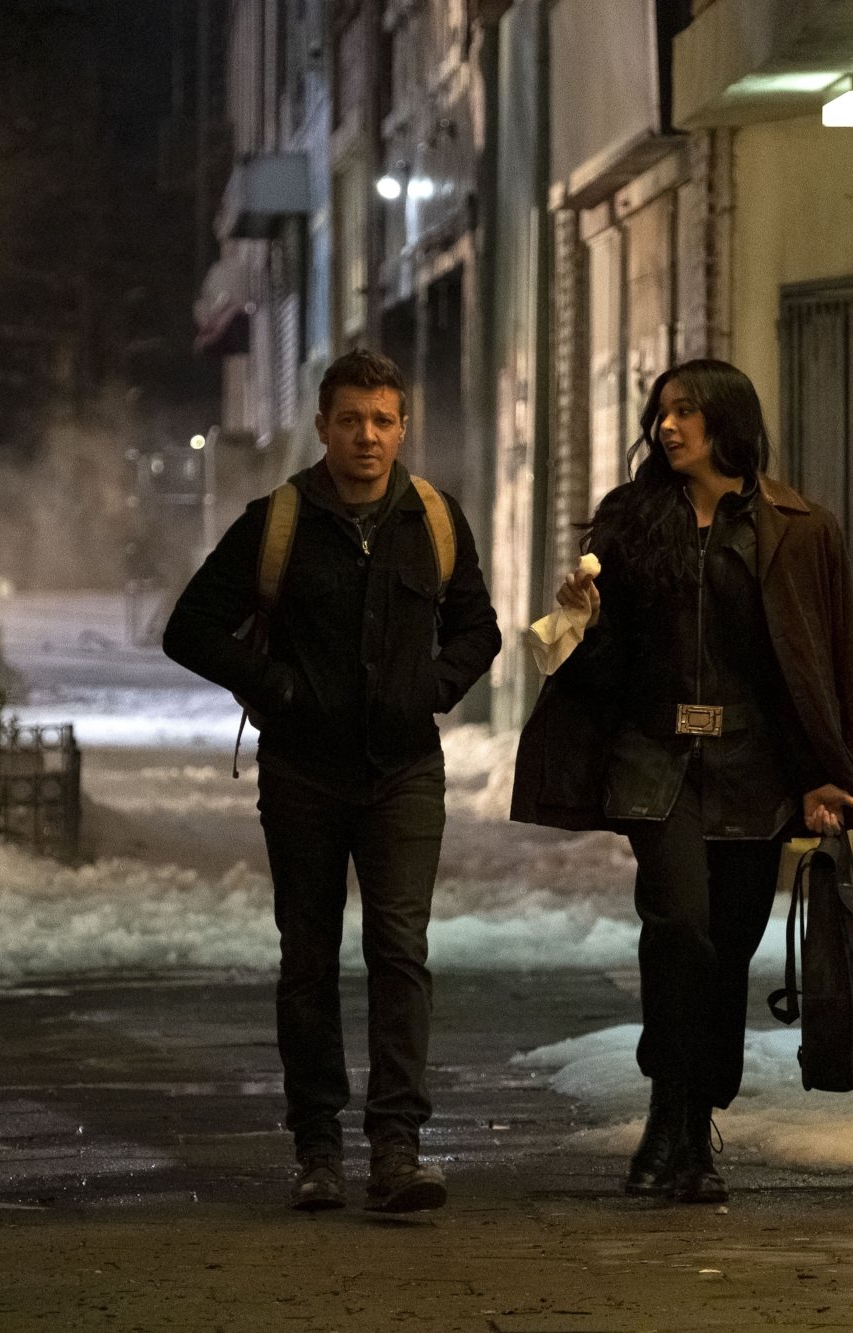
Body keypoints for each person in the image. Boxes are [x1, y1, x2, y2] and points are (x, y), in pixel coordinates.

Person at [511, 358, 853, 1204]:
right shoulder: (629, 518)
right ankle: (666, 1111)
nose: (668, 426)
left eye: (685, 410)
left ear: (729, 421)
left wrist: (833, 775)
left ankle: (692, 1127)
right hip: (658, 764)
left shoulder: (798, 529)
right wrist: (581, 612)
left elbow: (831, 663)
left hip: (753, 770)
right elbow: (592, 668)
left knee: (728, 953)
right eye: (662, 412)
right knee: (680, 924)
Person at [163, 348, 499, 1214]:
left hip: (404, 773)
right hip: (305, 773)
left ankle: (397, 1147)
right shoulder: (277, 521)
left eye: (383, 419)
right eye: (350, 419)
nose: (367, 436)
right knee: (308, 959)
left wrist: (433, 686)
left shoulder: (432, 516)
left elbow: (479, 629)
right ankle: (317, 1149)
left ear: (402, 425)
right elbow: (190, 627)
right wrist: (272, 685)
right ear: (322, 427)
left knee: (399, 952)